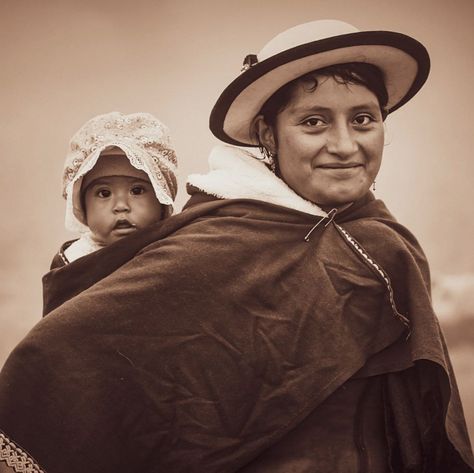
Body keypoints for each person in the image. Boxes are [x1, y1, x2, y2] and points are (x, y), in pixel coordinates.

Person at [0, 20, 473, 473]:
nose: (345, 145)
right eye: (313, 122)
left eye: (364, 119)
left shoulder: (382, 242)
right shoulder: (213, 244)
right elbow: (55, 359)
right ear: (268, 135)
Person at [42, 111, 178, 314]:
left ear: (162, 200)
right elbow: (56, 331)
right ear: (81, 206)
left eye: (137, 191)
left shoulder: (176, 253)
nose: (121, 205)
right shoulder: (72, 264)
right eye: (104, 193)